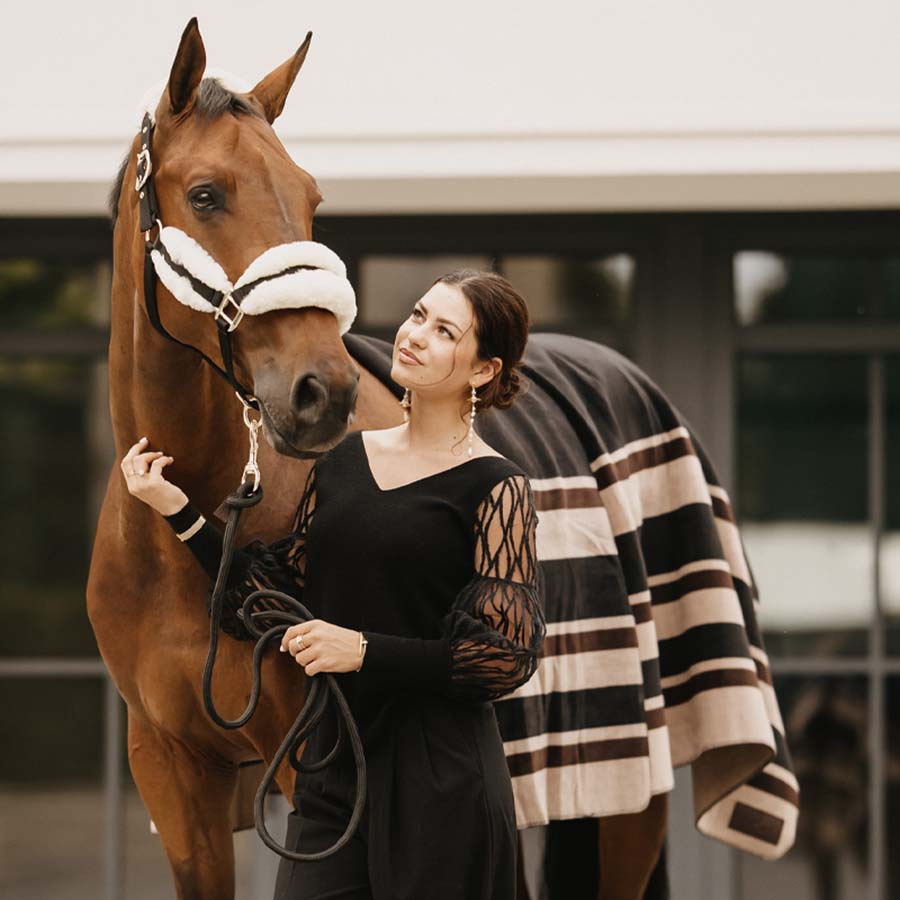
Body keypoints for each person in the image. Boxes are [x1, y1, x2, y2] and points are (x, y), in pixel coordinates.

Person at [120, 268, 546, 900]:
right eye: (419, 314)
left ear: (483, 370)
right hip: (332, 769)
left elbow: (503, 658)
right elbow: (272, 599)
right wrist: (179, 510)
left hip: (443, 784)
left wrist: (364, 650)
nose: (416, 334)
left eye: (445, 330)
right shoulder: (345, 461)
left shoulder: (495, 485)